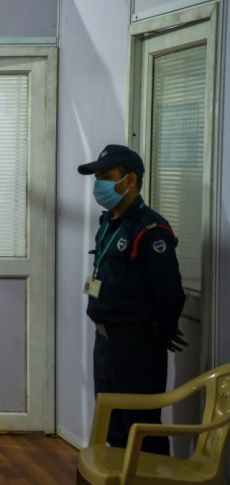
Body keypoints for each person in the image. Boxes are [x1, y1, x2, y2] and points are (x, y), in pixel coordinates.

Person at [78, 144, 187, 455]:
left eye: (105, 176)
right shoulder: (108, 223)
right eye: (96, 177)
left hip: (137, 346)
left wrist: (163, 331)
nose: (98, 184)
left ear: (130, 181)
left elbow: (169, 292)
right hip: (106, 343)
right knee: (113, 428)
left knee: (142, 432)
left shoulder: (150, 229)